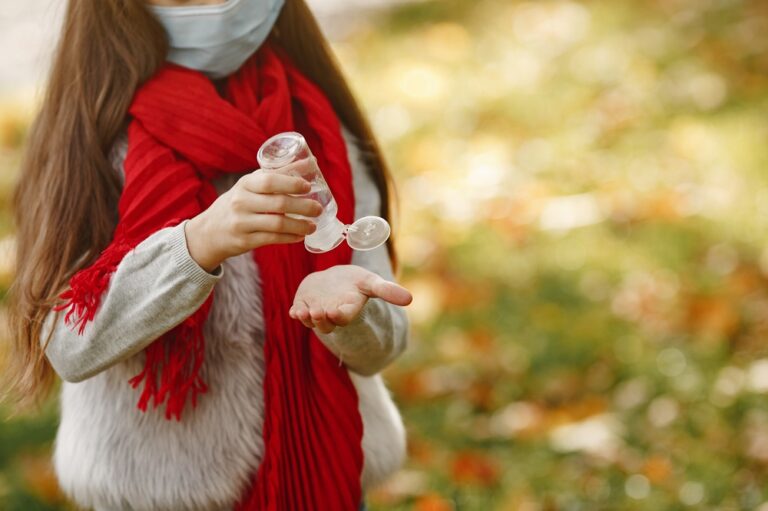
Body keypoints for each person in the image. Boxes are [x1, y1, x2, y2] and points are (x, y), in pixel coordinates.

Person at [2, 0, 413, 509]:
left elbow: (383, 346)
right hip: (155, 496)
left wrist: (348, 315)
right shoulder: (93, 138)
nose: (215, 5)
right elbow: (67, 342)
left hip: (325, 475)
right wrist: (195, 247)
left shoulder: (324, 133)